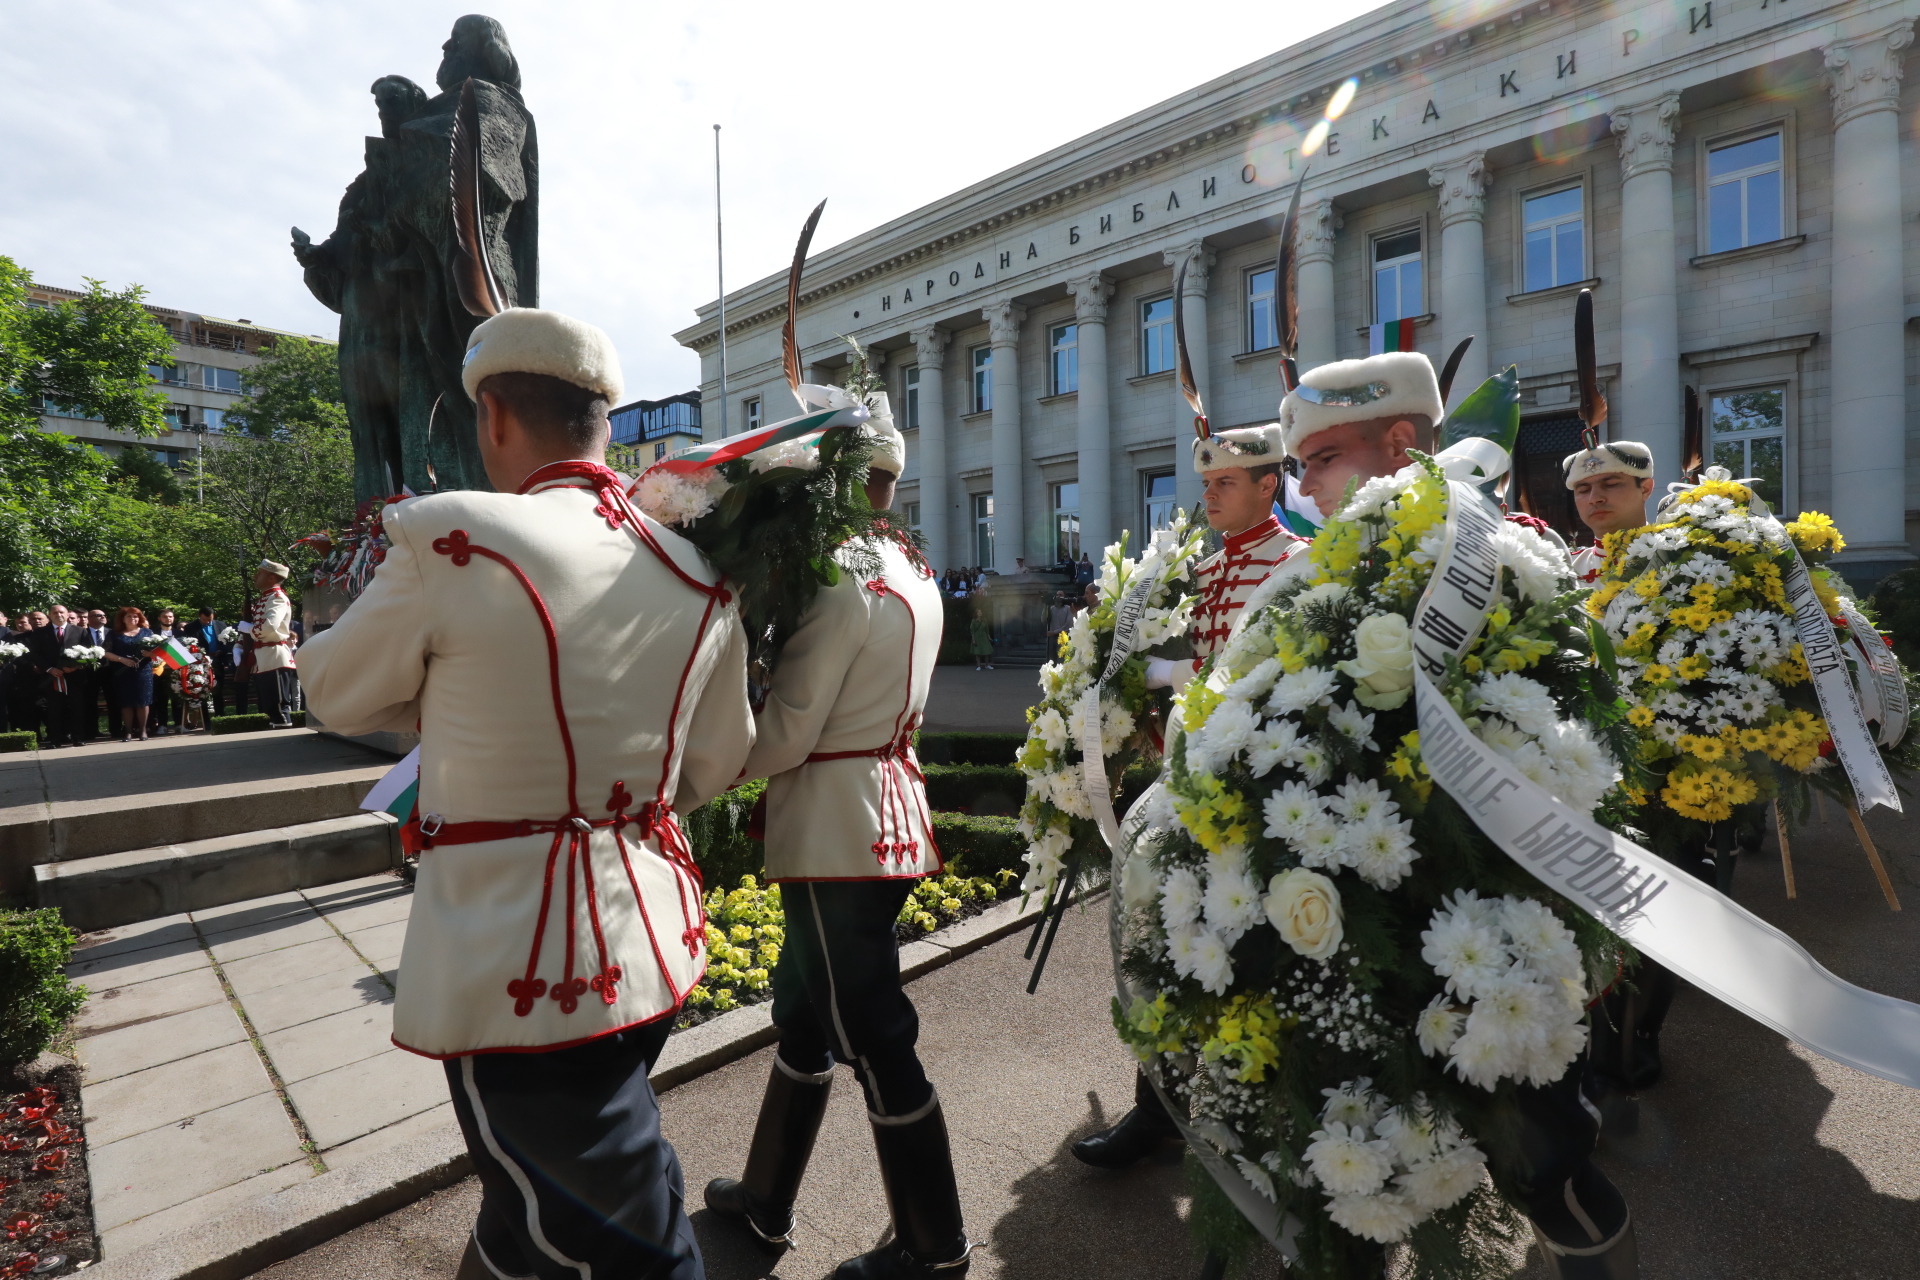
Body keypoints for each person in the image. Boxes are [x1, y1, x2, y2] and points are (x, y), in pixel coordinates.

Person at [301, 307, 750, 1280]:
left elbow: (333, 687)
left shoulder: (456, 534)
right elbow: (717, 761)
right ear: (607, 422)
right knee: (528, 1215)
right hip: (650, 938)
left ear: (494, 414)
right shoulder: (698, 569)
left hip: (523, 971)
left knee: (624, 1243)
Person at [1290, 354, 1640, 1280]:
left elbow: (1548, 730)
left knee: (1543, 1164)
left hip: (1487, 913)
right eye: (1303, 464)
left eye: (1324, 456)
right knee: (1360, 1163)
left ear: (1401, 443)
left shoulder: (1499, 550)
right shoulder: (1316, 570)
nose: (1309, 482)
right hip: (1359, 919)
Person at [704, 409, 969, 1280]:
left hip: (834, 826)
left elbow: (788, 731)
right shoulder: (912, 564)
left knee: (872, 1032)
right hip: (888, 808)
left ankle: (934, 1248)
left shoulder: (840, 572)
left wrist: (693, 778)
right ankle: (766, 1200)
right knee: (807, 1015)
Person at [1074, 420, 1313, 1170]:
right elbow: (1184, 664)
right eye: (1205, 484)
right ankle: (1159, 1110)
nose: (1208, 496)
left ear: (1269, 484)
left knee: (1247, 956)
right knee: (1166, 943)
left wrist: (1177, 683)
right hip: (1189, 784)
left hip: (1255, 794)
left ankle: (1256, 1118)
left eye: (1224, 484)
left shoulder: (1297, 565)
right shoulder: (1206, 571)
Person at [1564, 441, 1656, 584]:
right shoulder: (1564, 571)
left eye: (1610, 485)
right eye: (1584, 490)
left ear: (1645, 489)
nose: (1594, 498)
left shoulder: (1680, 556)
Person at [249, 563, 300, 728]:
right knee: (269, 700)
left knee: (278, 702)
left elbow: (270, 626)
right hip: (264, 654)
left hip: (274, 653)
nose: (255, 577)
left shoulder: (277, 597)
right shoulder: (266, 597)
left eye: (260, 573)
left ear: (271, 577)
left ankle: (283, 725)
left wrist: (250, 630)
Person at [27, 605, 84, 748]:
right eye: (55, 613)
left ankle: (78, 738)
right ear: (50, 615)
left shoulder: (80, 631)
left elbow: (88, 651)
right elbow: (35, 654)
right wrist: (49, 669)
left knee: (77, 708)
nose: (58, 615)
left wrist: (75, 666)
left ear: (67, 614)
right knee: (54, 710)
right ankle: (55, 740)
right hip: (51, 677)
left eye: (61, 612)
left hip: (74, 677)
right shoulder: (39, 633)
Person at [103, 607, 157, 741]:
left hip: (143, 672)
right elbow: (105, 652)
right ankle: (128, 731)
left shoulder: (147, 632)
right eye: (129, 616)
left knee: (143, 701)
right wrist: (122, 659)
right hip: (122, 672)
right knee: (126, 702)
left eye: (135, 617)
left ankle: (143, 731)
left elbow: (158, 651)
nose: (133, 619)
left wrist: (151, 654)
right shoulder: (114, 634)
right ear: (122, 618)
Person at [1045, 593, 1074, 661]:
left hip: (1063, 637)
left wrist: (1054, 632)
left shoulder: (1068, 608)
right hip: (1051, 638)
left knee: (1061, 659)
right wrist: (1046, 605)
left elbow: (1068, 625)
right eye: (1057, 595)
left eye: (1060, 595)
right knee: (1051, 660)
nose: (1058, 596)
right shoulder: (1051, 608)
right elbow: (1044, 619)